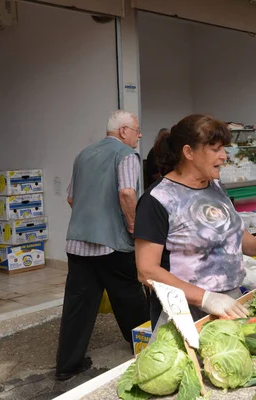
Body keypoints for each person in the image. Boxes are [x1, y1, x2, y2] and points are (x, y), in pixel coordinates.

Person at [133, 115, 256, 327]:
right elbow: (147, 271)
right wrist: (206, 298)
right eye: (215, 149)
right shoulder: (157, 200)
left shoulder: (215, 187)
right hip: (185, 312)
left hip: (228, 303)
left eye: (223, 148)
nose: (224, 156)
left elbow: (234, 236)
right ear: (188, 152)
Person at [56, 110, 150, 381]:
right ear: (123, 131)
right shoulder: (125, 155)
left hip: (77, 243)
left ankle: (67, 366)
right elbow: (126, 193)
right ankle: (146, 348)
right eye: (136, 129)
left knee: (78, 305)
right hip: (112, 243)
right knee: (130, 298)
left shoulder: (83, 154)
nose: (139, 135)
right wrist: (134, 228)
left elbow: (71, 199)